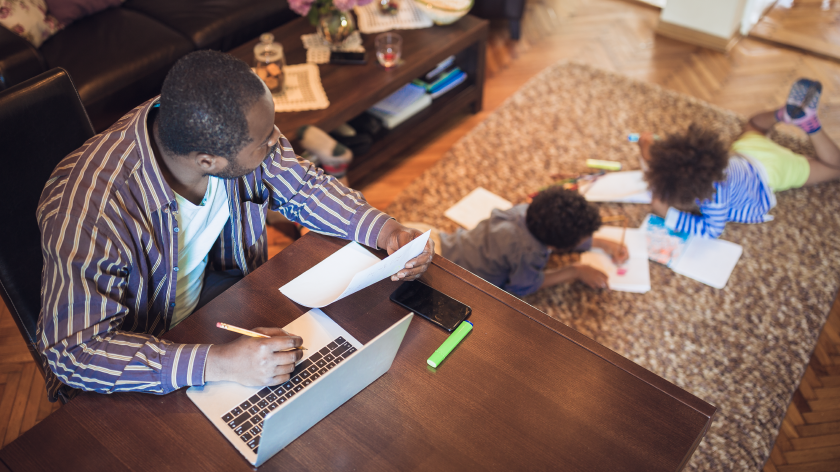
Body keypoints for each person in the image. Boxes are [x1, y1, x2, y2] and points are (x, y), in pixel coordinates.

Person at [36, 51, 433, 402]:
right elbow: (74, 352)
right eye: (263, 142)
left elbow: (305, 188)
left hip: (219, 305)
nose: (276, 142)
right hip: (142, 359)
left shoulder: (210, 126)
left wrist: (385, 231)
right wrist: (221, 362)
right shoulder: (90, 207)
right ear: (208, 161)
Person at [638, 78, 840, 238]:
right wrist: (646, 147)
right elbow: (662, 162)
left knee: (833, 167)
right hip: (747, 150)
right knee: (753, 126)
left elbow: (711, 230)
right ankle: (784, 114)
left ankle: (809, 123)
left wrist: (668, 214)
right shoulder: (697, 163)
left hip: (772, 170)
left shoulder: (713, 199)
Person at [415, 187, 628, 298]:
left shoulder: (524, 211)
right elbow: (524, 286)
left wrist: (599, 242)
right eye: (583, 239)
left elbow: (558, 232)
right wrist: (575, 271)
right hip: (446, 273)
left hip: (441, 242)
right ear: (556, 247)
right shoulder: (529, 253)